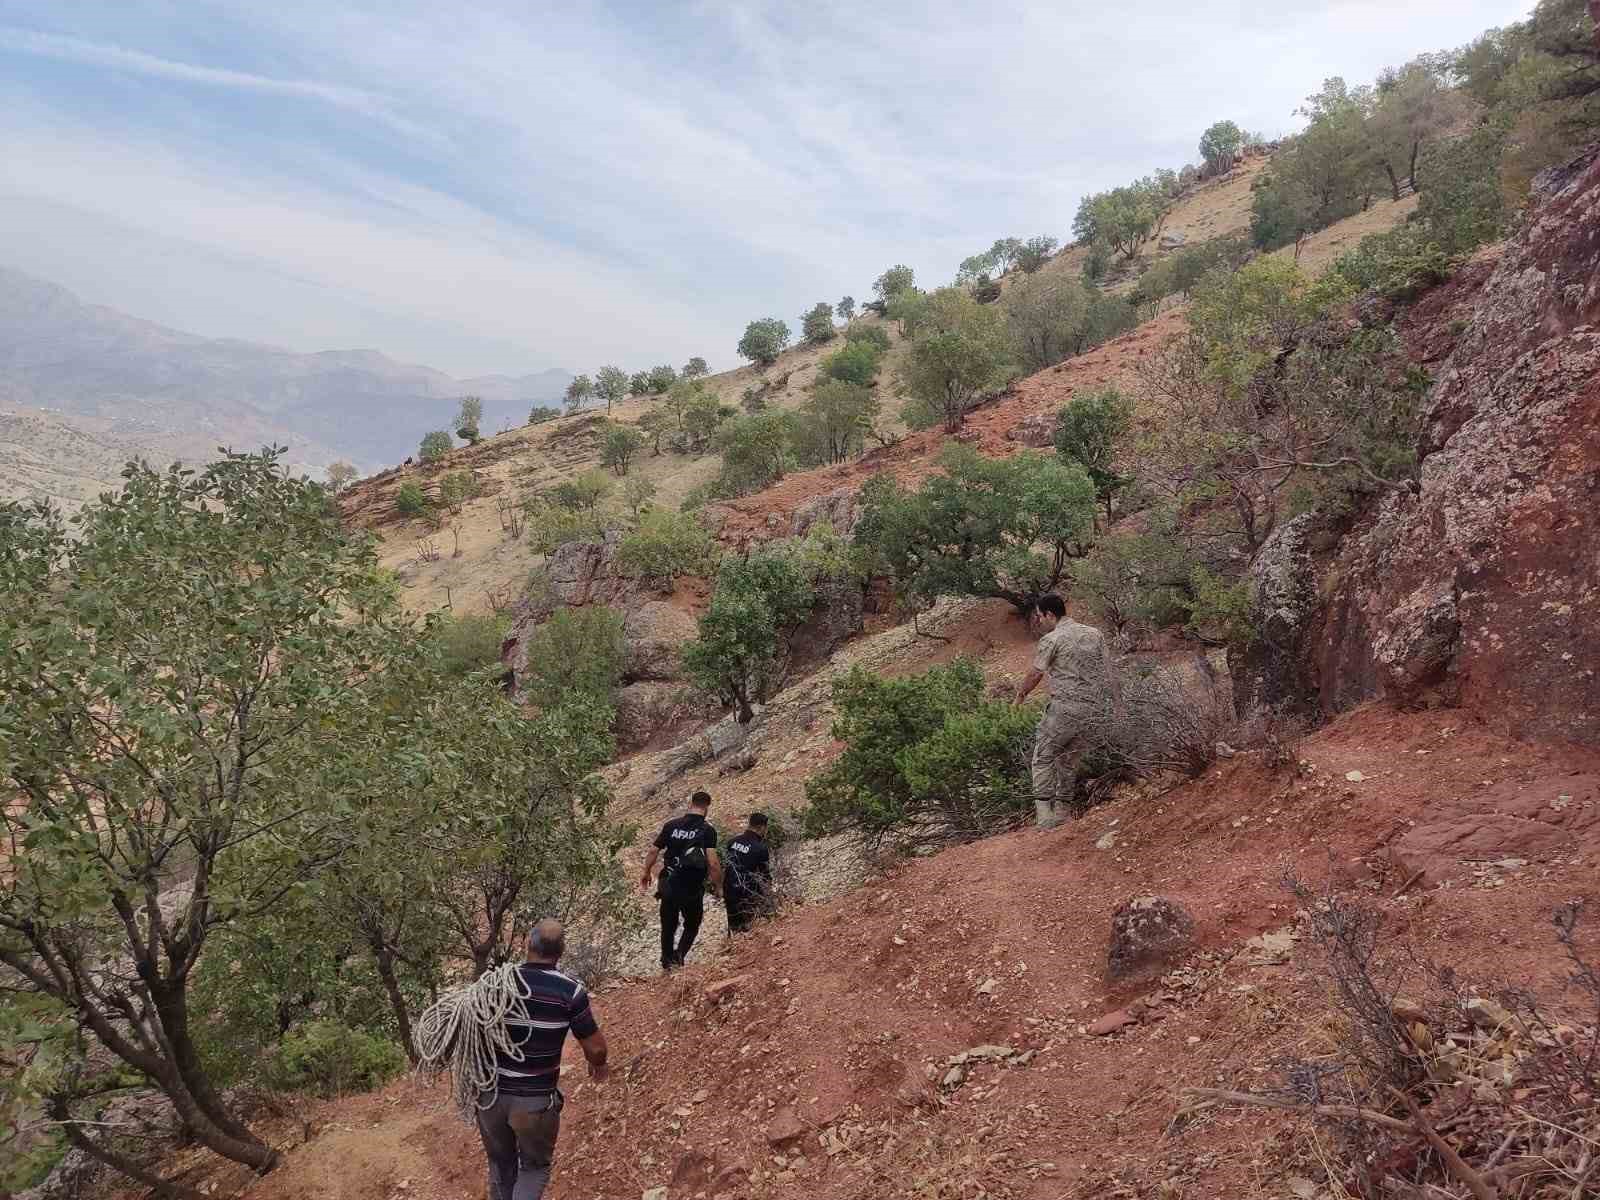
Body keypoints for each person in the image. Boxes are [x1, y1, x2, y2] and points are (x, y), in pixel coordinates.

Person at [477, 918, 608, 1200]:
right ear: (560, 952)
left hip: (490, 1097)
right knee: (534, 1168)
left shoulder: (495, 984)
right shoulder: (569, 991)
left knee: (501, 1166)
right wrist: (599, 1065)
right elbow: (596, 1050)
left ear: (528, 944)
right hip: (534, 1103)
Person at [1015, 594, 1121, 829]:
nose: (1039, 621)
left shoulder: (1052, 639)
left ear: (1050, 614)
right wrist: (1117, 706)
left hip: (1064, 708)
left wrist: (1020, 696)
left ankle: (1044, 819)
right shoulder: (1094, 634)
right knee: (1069, 760)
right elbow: (1111, 672)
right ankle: (1063, 813)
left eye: (1040, 616)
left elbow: (1035, 673)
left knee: (1042, 757)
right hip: (1093, 710)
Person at [639, 790, 722, 971]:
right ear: (707, 807)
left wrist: (646, 872)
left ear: (690, 804)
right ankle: (679, 957)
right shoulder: (707, 830)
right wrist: (718, 887)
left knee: (668, 924)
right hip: (691, 887)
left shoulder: (671, 825)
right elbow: (713, 863)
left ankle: (667, 961)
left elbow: (654, 851)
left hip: (668, 883)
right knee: (692, 924)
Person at [723, 812, 773, 933]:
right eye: (766, 829)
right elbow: (764, 876)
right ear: (761, 827)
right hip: (747, 893)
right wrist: (770, 898)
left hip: (729, 889)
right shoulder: (760, 848)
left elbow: (727, 866)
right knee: (749, 931)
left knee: (734, 928)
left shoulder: (732, 842)